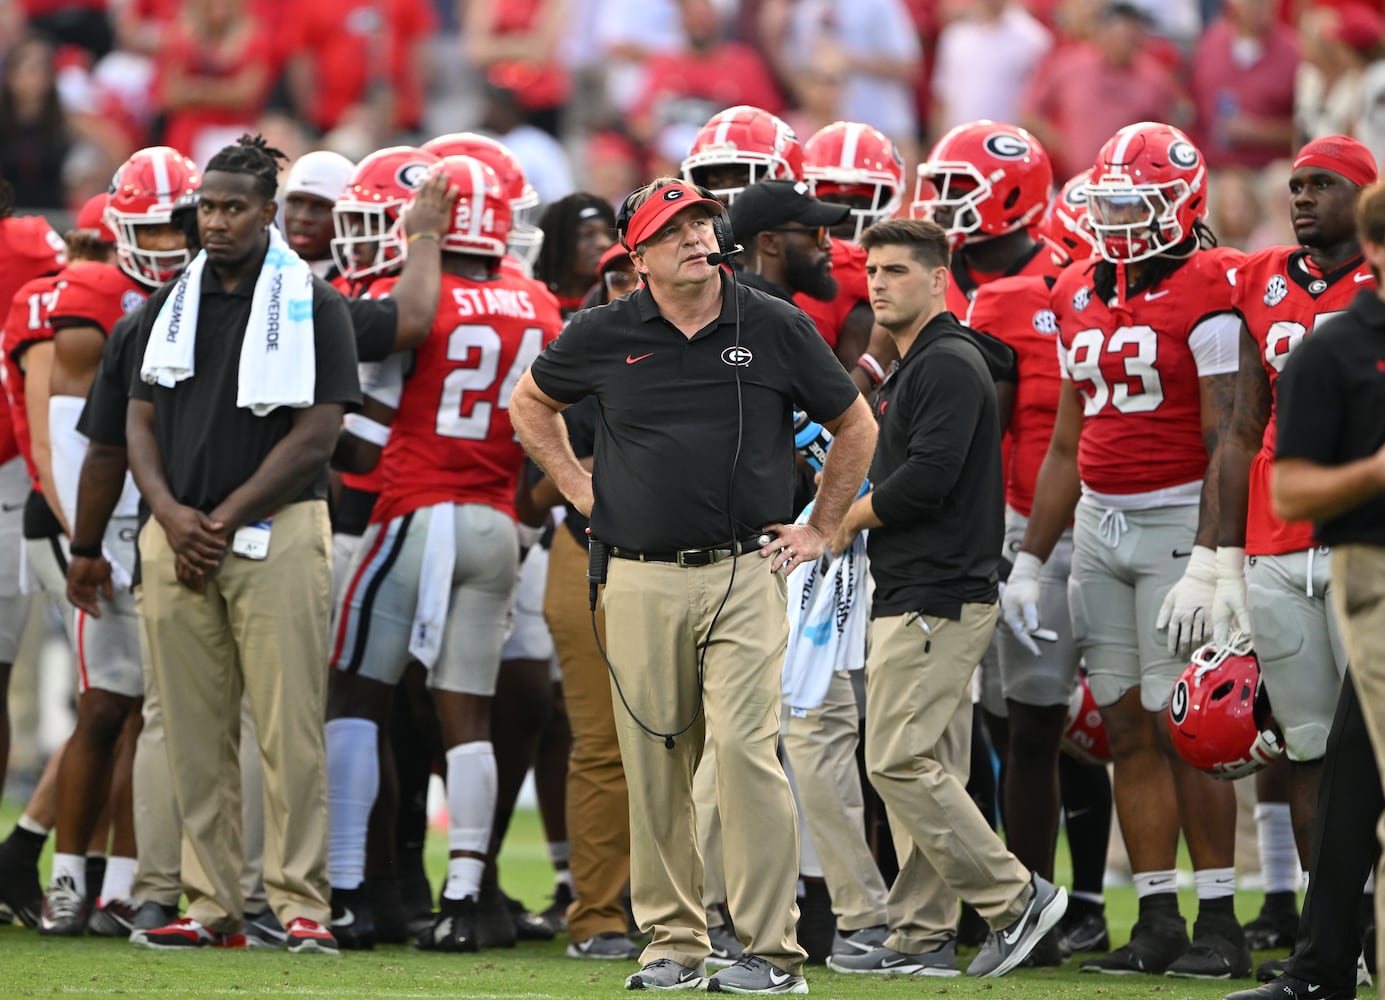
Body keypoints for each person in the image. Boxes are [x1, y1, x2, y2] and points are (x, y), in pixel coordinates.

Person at [509, 176, 876, 993]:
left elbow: (855, 422)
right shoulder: (602, 331)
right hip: (637, 576)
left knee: (746, 756)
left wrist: (823, 526)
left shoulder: (773, 322)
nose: (696, 237)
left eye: (703, 222)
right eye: (674, 230)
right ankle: (672, 946)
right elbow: (530, 404)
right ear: (638, 254)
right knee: (654, 761)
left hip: (747, 569)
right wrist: (576, 488)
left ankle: (770, 952)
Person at [1002, 121, 1248, 978]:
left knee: (1188, 726)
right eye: (1105, 205)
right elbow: (1066, 445)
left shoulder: (1211, 285)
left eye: (1132, 205)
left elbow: (1229, 435)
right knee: (1124, 725)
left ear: (1181, 205)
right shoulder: (1071, 287)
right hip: (1099, 526)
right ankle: (1155, 919)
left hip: (1179, 517)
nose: (1116, 222)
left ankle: (1217, 919)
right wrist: (1031, 559)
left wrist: (1215, 556)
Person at [124, 134, 360, 954]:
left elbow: (319, 433)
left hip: (277, 530)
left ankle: (299, 904)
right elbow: (138, 419)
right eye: (206, 207)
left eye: (232, 207)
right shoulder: (169, 303)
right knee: (192, 730)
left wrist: (217, 518)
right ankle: (210, 902)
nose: (215, 222)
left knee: (287, 727)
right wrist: (169, 514)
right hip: (177, 534)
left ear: (268, 213)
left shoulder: (313, 303)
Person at [326, 154, 564, 954]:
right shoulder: (535, 303)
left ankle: (350, 890)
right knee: (467, 714)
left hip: (413, 515)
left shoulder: (418, 300)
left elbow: (359, 450)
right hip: (495, 523)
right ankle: (465, 897)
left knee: (355, 699)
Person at [822, 217, 1066, 979]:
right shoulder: (925, 362)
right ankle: (921, 932)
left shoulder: (946, 362)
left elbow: (924, 482)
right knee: (929, 765)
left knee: (895, 761)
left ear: (938, 279)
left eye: (896, 270)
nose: (878, 282)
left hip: (936, 589)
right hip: (923, 585)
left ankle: (1015, 898)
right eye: (873, 269)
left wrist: (841, 522)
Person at [1217, 135, 1378, 955]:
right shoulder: (1258, 278)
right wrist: (1214, 559)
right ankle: (1333, 942)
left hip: (1364, 542)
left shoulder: (1375, 288)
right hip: (1275, 539)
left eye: (1322, 185)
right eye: (1294, 185)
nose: (1301, 197)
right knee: (1309, 750)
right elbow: (1242, 425)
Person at [1270, 176, 1385, 987]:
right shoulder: (1334, 349)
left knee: (1353, 770)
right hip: (1371, 570)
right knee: (1349, 766)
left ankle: (1320, 965)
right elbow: (1290, 490)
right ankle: (1320, 965)